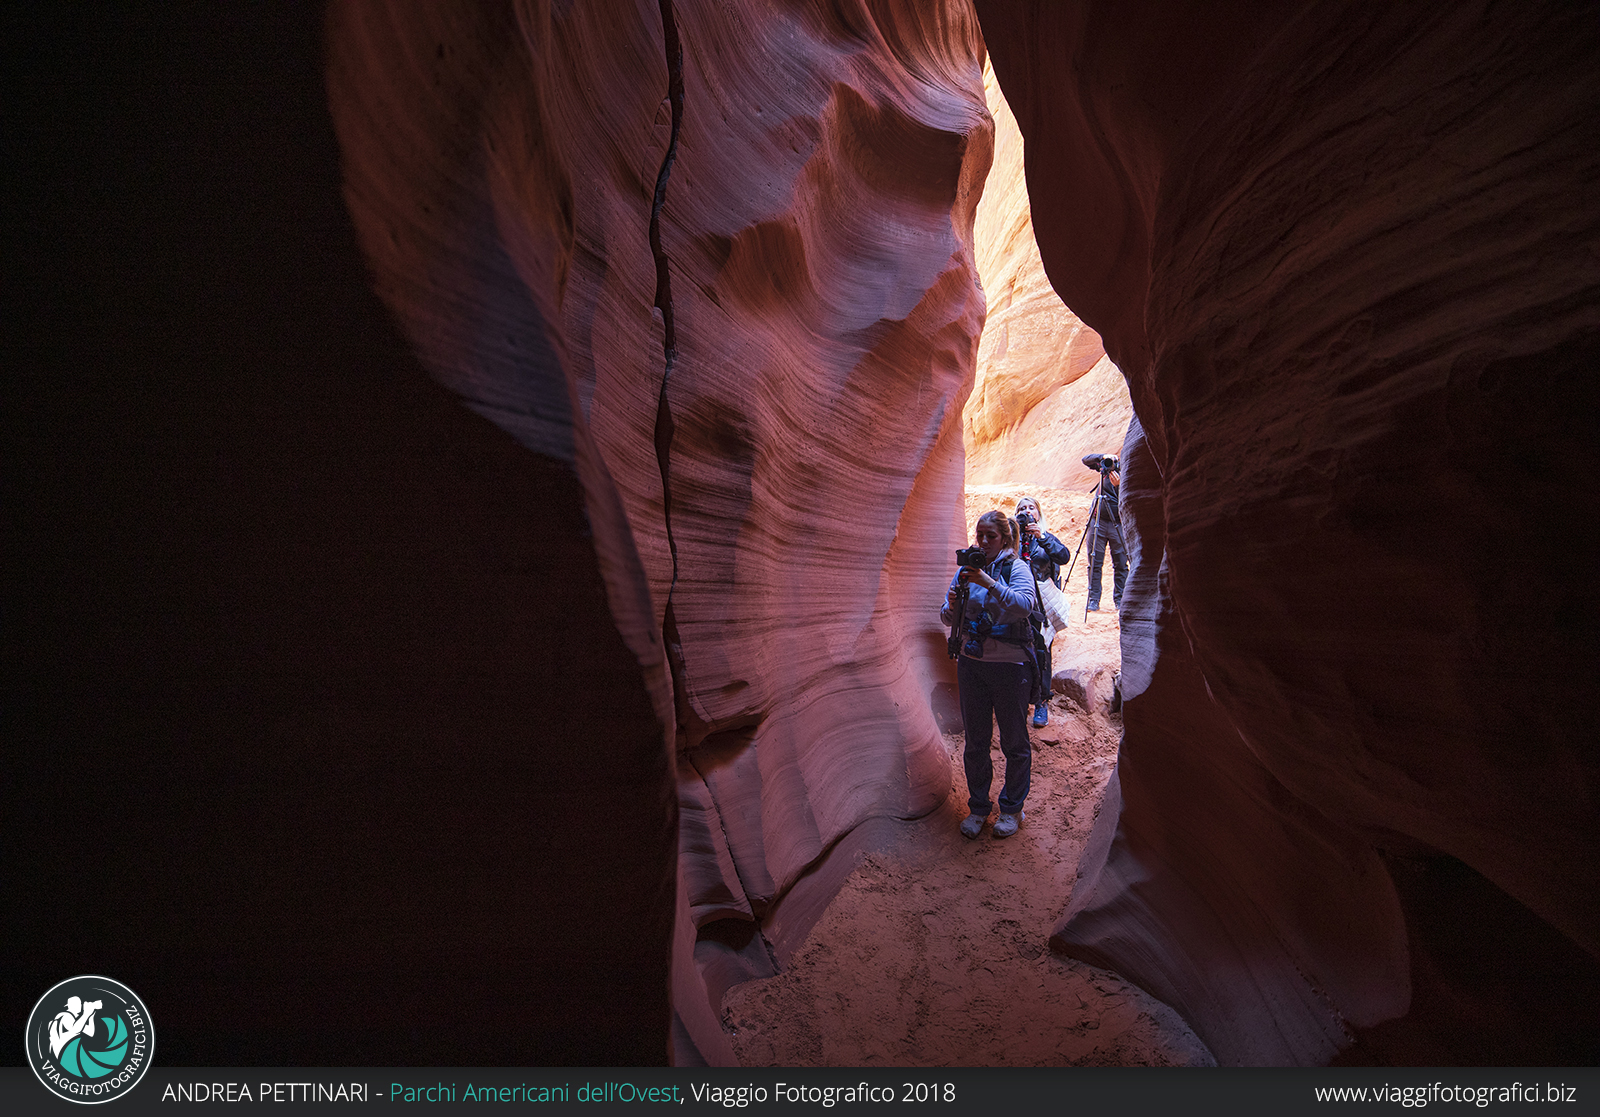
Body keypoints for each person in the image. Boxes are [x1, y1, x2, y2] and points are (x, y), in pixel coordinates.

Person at [940, 511, 1038, 839]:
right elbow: (944, 616)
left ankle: (1012, 808)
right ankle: (979, 806)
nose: (982, 541)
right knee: (976, 741)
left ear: (1005, 540)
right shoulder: (967, 570)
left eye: (990, 536)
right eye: (979, 534)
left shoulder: (1016, 568)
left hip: (1010, 668)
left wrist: (990, 583)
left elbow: (1024, 605)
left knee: (1014, 741)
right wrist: (953, 604)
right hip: (972, 664)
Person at [1014, 495, 1073, 727]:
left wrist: (1043, 537)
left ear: (1038, 513)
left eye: (1031, 508)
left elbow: (1064, 556)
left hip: (1042, 602)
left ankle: (1041, 701)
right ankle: (1020, 697)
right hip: (1019, 600)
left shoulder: (1045, 538)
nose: (1027, 512)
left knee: (1042, 648)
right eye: (1022, 509)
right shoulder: (1012, 539)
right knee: (1017, 646)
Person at [1080, 451, 1127, 611]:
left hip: (1118, 524)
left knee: (1121, 563)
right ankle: (1093, 600)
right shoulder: (1104, 468)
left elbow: (1129, 500)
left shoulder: (1126, 472)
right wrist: (1103, 458)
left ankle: (1120, 600)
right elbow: (1085, 459)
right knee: (1094, 562)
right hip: (1097, 521)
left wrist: (1120, 486)